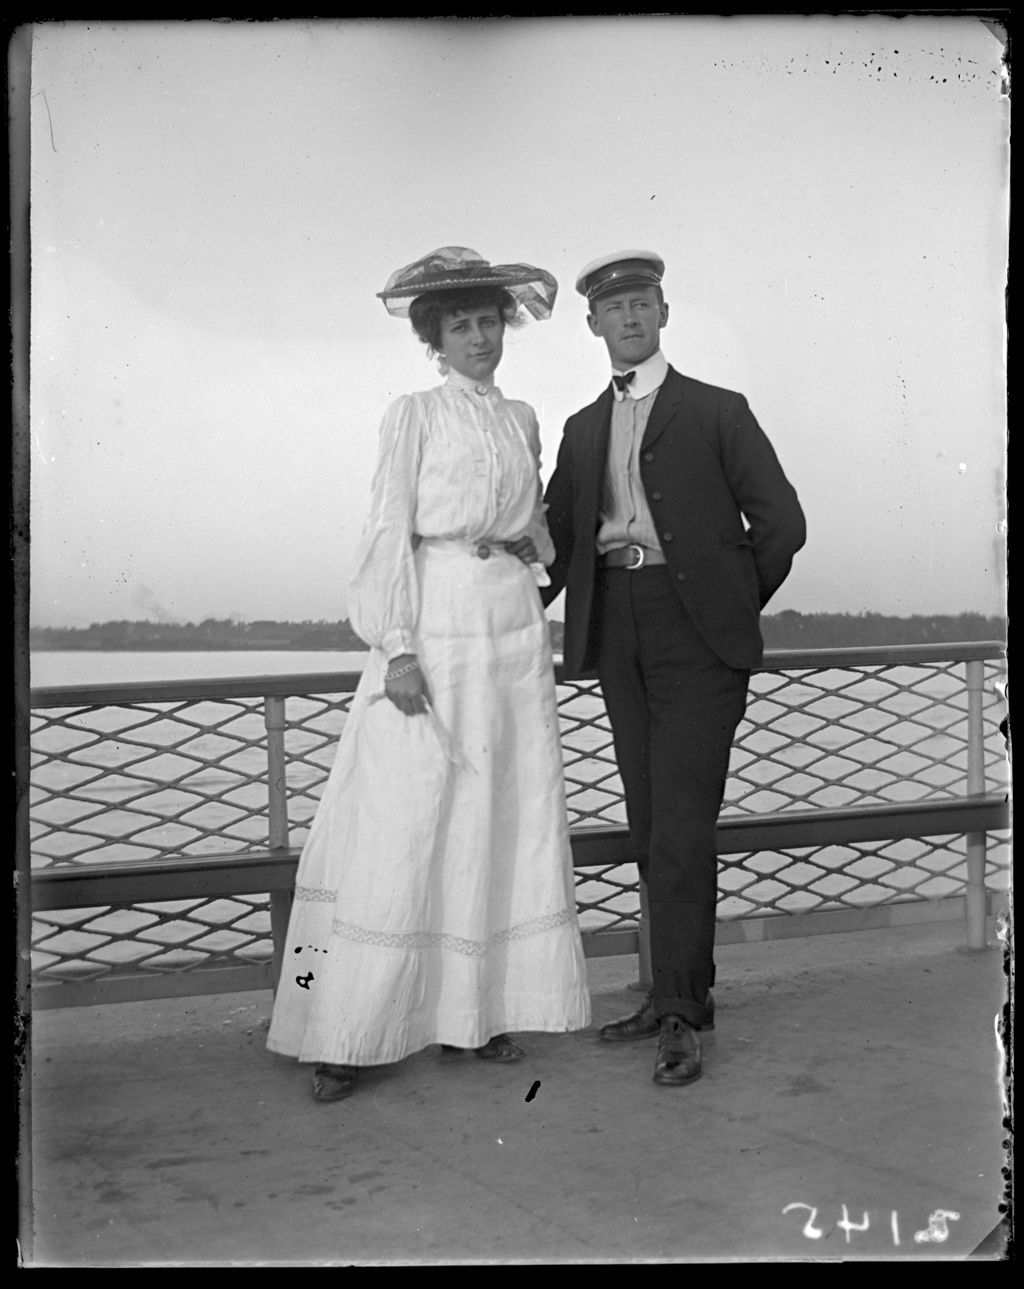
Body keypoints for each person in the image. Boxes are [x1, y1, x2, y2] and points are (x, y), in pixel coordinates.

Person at [267, 247, 590, 1101]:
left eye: (489, 322)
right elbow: (387, 530)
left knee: (497, 815)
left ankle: (474, 1019)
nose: (479, 337)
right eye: (461, 326)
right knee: (403, 815)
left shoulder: (520, 417)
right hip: (436, 622)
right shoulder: (413, 413)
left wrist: (534, 545)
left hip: (511, 628)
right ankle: (345, 1031)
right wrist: (398, 646)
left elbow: (539, 530)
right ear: (434, 338)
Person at [542, 251, 806, 1087]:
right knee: (653, 821)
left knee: (684, 827)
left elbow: (782, 525)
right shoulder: (583, 429)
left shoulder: (716, 411)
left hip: (697, 639)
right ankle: (673, 994)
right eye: (613, 308)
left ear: (664, 313)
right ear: (592, 325)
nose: (629, 318)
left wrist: (724, 608)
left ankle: (683, 1012)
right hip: (615, 631)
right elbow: (552, 545)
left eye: (642, 304)